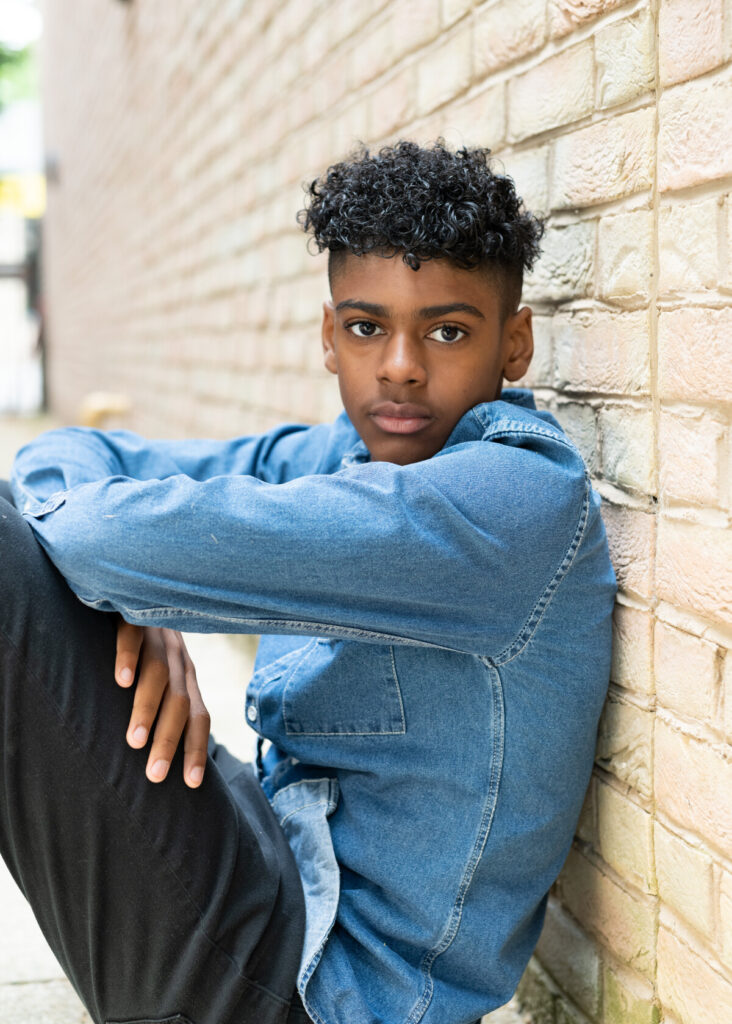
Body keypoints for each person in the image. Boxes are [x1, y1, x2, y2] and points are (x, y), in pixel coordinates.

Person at [1, 140, 617, 1024]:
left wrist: (125, 584)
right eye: (368, 327)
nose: (401, 365)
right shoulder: (336, 454)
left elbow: (97, 536)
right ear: (331, 337)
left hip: (315, 992)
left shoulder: (509, 505)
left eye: (447, 331)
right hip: (270, 857)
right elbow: (67, 461)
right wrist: (135, 600)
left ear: (513, 345)